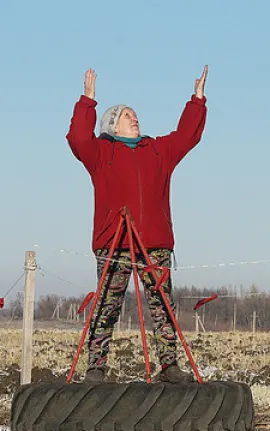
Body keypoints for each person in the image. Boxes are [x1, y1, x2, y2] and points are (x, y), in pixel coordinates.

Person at [66, 65, 208, 384]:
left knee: (162, 305)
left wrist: (197, 101)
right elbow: (78, 139)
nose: (135, 118)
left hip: (154, 241)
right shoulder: (101, 152)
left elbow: (187, 136)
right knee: (107, 304)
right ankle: (96, 368)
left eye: (135, 114)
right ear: (113, 125)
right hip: (114, 240)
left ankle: (170, 366)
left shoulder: (157, 150)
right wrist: (87, 101)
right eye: (127, 115)